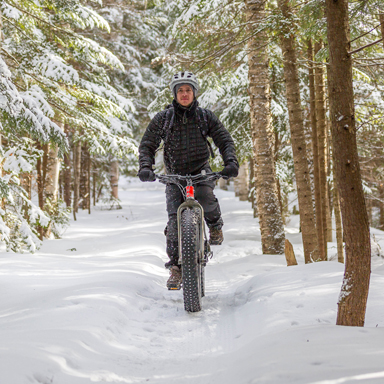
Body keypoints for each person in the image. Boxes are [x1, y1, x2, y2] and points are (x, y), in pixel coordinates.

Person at [138, 71, 239, 289]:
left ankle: (215, 225)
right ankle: (176, 268)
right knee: (175, 222)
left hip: (200, 171)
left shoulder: (205, 116)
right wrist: (145, 166)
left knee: (205, 196)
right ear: (174, 94)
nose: (184, 94)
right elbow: (148, 144)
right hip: (175, 176)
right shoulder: (164, 119)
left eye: (188, 90)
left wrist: (230, 162)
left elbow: (224, 140)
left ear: (194, 93)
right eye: (180, 91)